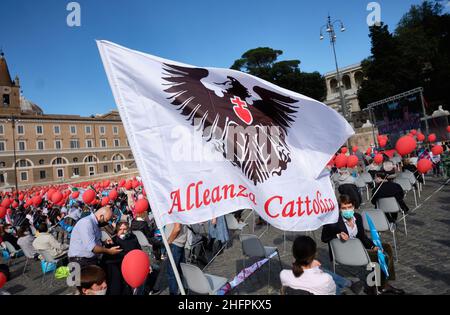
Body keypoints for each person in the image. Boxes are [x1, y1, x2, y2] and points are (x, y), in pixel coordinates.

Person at [321, 195, 404, 295]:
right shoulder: (334, 222)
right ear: (339, 209)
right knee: (382, 256)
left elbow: (362, 237)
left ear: (354, 206)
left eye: (349, 207)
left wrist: (373, 246)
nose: (347, 210)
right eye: (344, 208)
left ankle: (383, 283)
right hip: (345, 253)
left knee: (386, 247)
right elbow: (324, 238)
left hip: (359, 249)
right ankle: (378, 287)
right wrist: (337, 235)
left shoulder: (358, 218)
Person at [280, 235, 360, 295]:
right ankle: (348, 284)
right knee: (331, 281)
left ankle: (348, 283)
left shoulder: (283, 274)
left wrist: (314, 268)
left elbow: (283, 291)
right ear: (315, 254)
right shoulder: (325, 278)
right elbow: (334, 292)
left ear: (294, 254)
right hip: (330, 289)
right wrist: (318, 270)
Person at [164, 223, 187, 295]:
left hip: (174, 243)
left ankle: (174, 293)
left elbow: (177, 228)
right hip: (178, 243)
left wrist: (168, 241)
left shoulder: (175, 211)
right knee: (181, 271)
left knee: (172, 272)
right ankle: (184, 290)